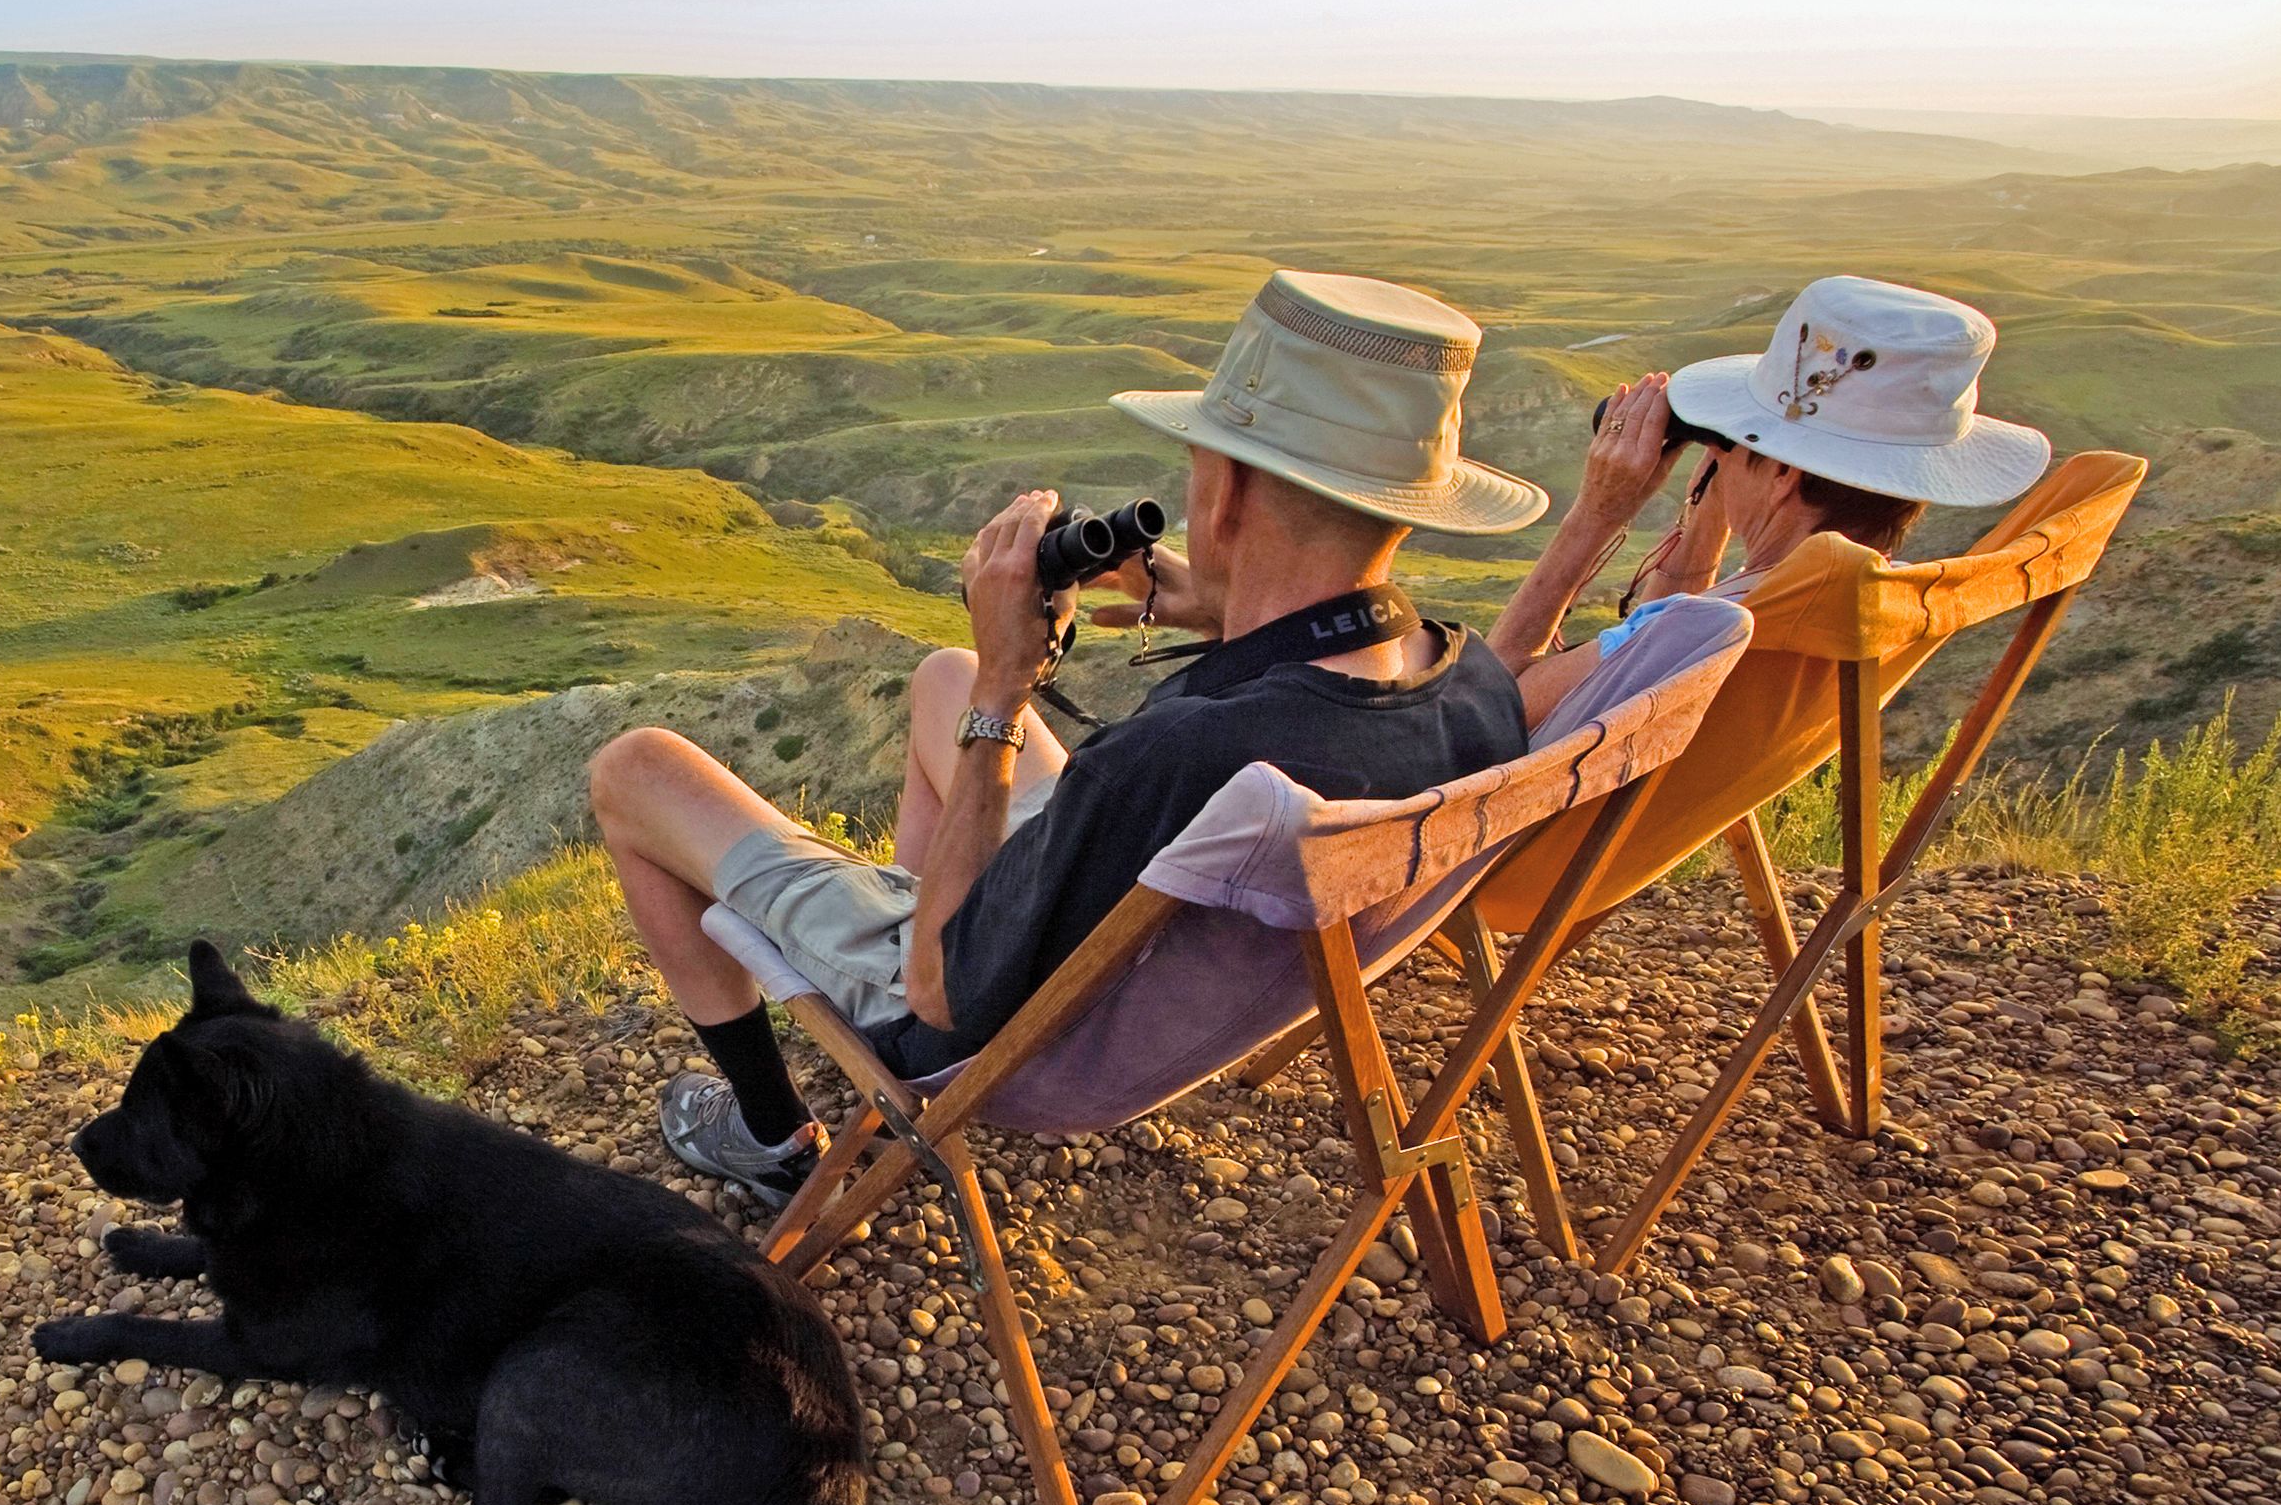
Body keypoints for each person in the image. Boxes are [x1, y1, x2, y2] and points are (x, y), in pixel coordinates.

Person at [589, 269, 1544, 1207]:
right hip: (1146, 952)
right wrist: (1223, 609)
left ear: (1228, 495)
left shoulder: (1183, 756)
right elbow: (1299, 703)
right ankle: (931, 892)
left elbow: (942, 995)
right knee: (941, 677)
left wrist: (1005, 688)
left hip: (997, 1028)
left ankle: (763, 1133)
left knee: (637, 768)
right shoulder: (1469, 683)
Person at [1490, 275, 2053, 724]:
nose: (1721, 455)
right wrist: (1710, 514)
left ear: (1782, 472)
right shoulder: (1876, 600)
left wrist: (1597, 512)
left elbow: (1487, 703)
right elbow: (1645, 656)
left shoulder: (1700, 629)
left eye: (1729, 444)